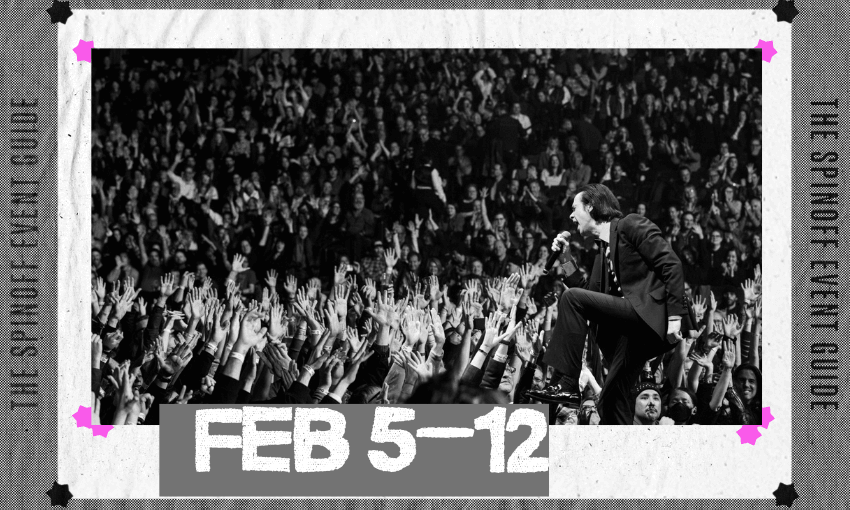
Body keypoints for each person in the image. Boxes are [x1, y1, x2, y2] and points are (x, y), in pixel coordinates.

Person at [526, 183, 687, 425]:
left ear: (591, 207)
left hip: (648, 317)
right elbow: (588, 293)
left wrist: (675, 317)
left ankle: (567, 382)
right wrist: (566, 257)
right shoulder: (603, 251)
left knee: (571, 298)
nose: (571, 215)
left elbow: (671, 265)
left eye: (574, 208)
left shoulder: (630, 224)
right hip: (630, 334)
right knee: (611, 400)